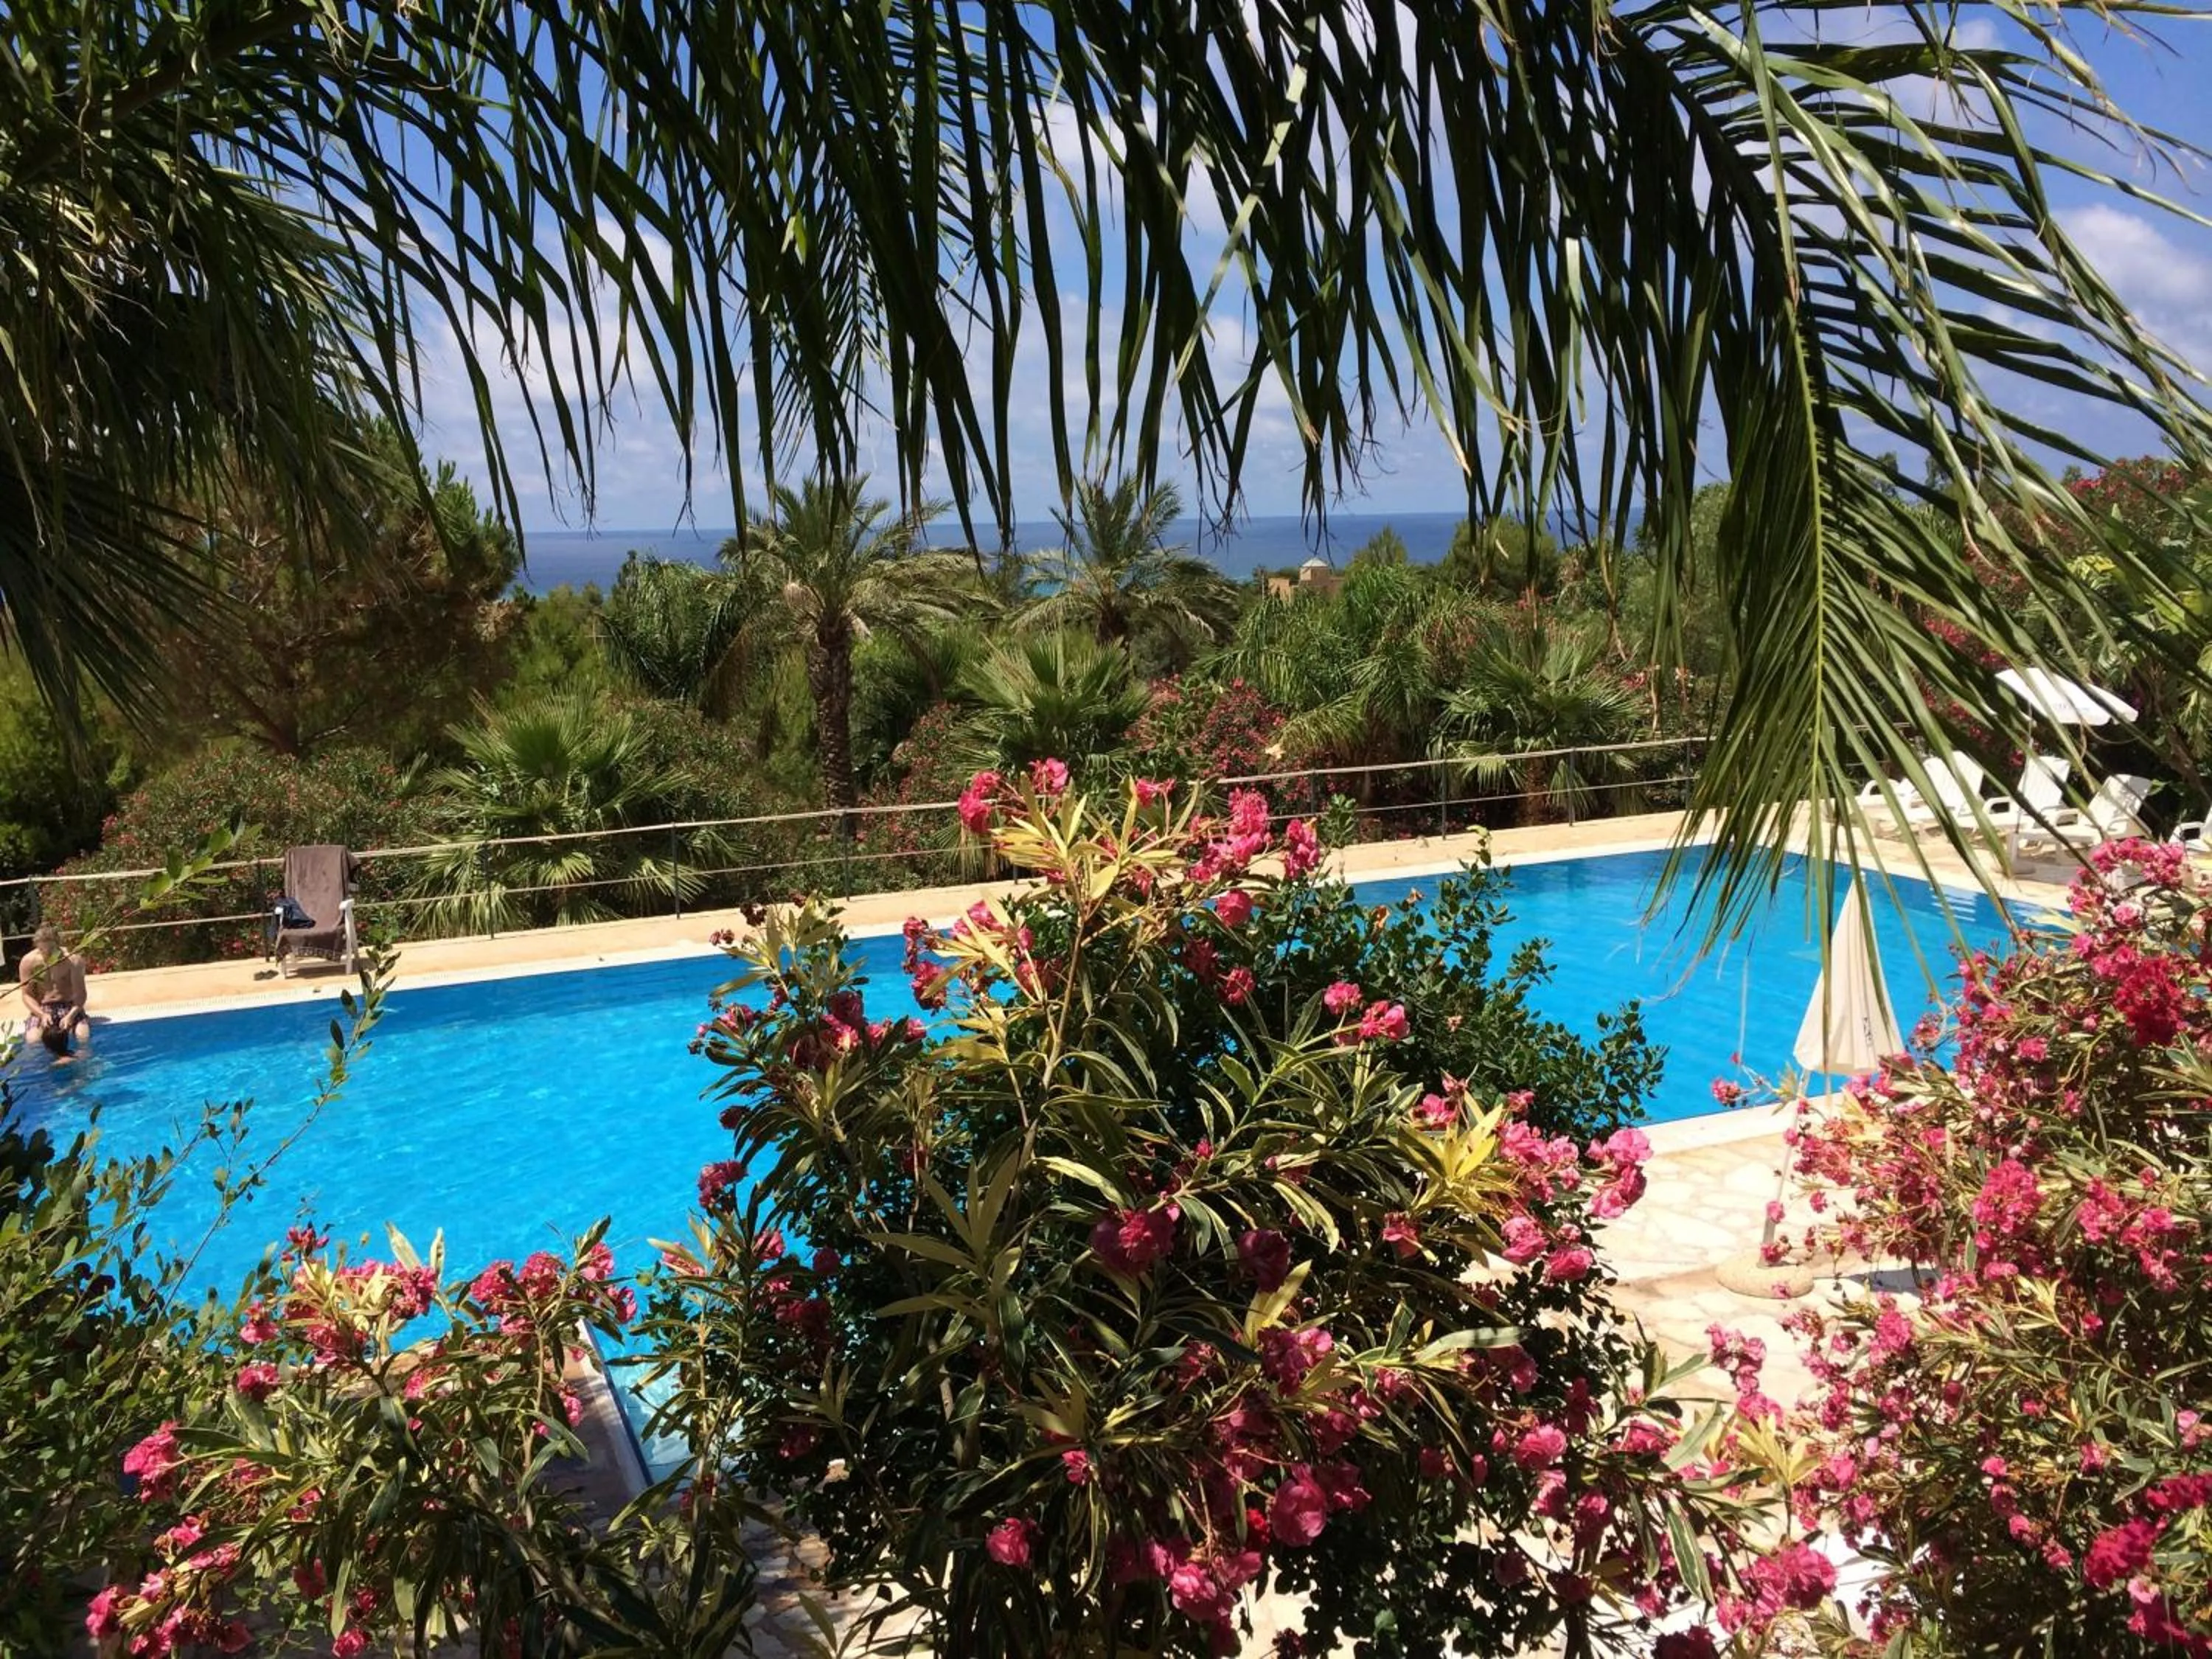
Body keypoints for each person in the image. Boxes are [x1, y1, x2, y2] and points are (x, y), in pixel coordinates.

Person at [20, 922, 91, 1050]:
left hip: (69, 1006)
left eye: (51, 950)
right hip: (42, 1007)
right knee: (33, 1041)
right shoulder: (28, 961)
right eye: (42, 950)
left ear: (58, 944)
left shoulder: (74, 961)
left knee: (83, 1038)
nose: (47, 954)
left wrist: (71, 1015)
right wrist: (41, 1014)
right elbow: (27, 995)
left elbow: (81, 994)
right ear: (37, 947)